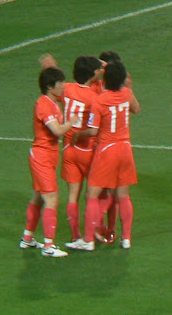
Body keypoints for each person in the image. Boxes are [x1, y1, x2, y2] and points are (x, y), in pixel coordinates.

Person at [66, 62, 141, 251]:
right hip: (126, 149)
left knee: (92, 195)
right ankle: (126, 238)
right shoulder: (126, 93)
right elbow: (137, 109)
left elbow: (93, 131)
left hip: (107, 150)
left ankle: (89, 240)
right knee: (123, 196)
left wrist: (77, 134)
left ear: (105, 80)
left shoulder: (100, 100)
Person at [19, 66, 79, 257]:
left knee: (38, 197)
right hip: (42, 156)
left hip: (49, 156)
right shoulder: (44, 104)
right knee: (52, 198)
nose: (63, 86)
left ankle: (27, 239)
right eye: (59, 83)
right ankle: (48, 246)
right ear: (49, 87)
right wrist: (71, 122)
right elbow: (57, 131)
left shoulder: (53, 101)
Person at [61, 56, 103, 245]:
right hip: (87, 148)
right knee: (96, 194)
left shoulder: (66, 89)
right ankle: (94, 232)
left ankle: (75, 235)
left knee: (72, 195)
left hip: (68, 147)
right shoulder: (94, 98)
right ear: (93, 74)